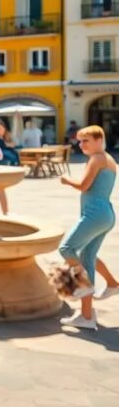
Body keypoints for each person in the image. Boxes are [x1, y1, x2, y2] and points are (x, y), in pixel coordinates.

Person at [58, 125, 117, 330]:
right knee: (87, 257)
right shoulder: (107, 158)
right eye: (79, 141)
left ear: (99, 140)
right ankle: (88, 313)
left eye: (85, 141)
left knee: (66, 249)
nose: (80, 144)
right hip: (105, 214)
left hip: (95, 214)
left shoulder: (97, 159)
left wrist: (66, 180)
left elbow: (83, 186)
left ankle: (82, 288)